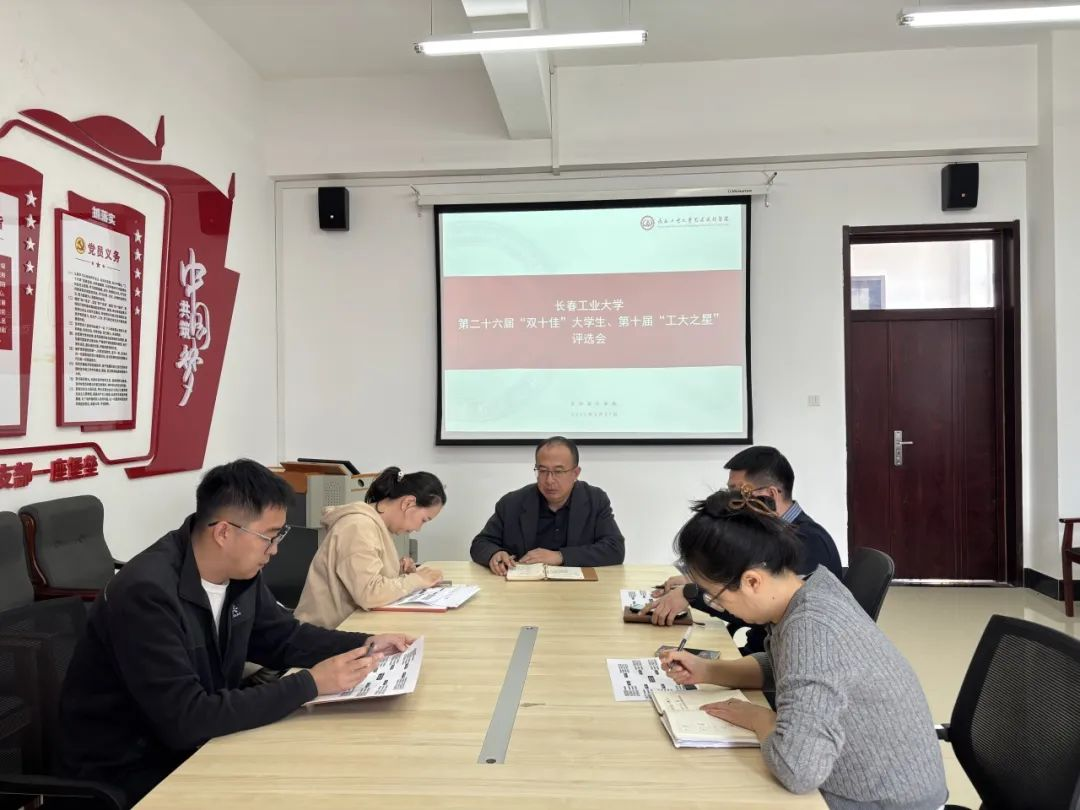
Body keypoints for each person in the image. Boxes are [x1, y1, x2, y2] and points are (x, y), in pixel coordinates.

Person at [57, 459, 414, 808]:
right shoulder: (146, 593)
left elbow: (284, 638)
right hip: (131, 770)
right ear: (224, 532)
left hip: (200, 746)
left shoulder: (240, 576)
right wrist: (311, 684)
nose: (275, 549)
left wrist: (365, 643)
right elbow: (186, 719)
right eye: (269, 536)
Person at [660, 489, 947, 810]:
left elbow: (798, 769)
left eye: (717, 597)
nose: (719, 606)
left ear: (752, 581)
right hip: (869, 785)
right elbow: (783, 667)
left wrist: (757, 718)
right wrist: (707, 670)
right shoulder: (810, 588)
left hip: (884, 802)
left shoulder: (812, 627)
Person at [645, 446, 842, 654]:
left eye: (739, 493)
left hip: (772, 656)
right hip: (765, 656)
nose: (734, 502)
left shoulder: (809, 542)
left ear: (770, 494)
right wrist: (701, 580)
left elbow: (759, 604)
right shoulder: (770, 534)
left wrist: (693, 594)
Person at [295, 466, 446, 627]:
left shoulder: (373, 525)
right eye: (424, 520)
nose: (418, 529)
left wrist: (400, 571)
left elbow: (364, 577)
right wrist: (415, 580)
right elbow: (369, 594)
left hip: (345, 627)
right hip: (324, 633)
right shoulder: (358, 526)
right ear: (408, 503)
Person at [470, 436, 624, 574]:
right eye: (543, 471)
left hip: (578, 589)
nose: (549, 480)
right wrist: (494, 554)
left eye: (558, 472)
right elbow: (480, 543)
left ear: (575, 473)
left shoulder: (595, 500)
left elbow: (615, 549)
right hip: (524, 590)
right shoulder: (512, 503)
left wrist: (560, 556)